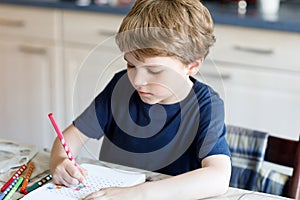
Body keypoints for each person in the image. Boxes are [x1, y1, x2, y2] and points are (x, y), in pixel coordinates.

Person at [50, 0, 232, 199]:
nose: (137, 80)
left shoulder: (206, 105)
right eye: (130, 65)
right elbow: (72, 137)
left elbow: (218, 177)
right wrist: (59, 162)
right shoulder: (120, 87)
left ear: (192, 65)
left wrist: (137, 194)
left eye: (154, 70)